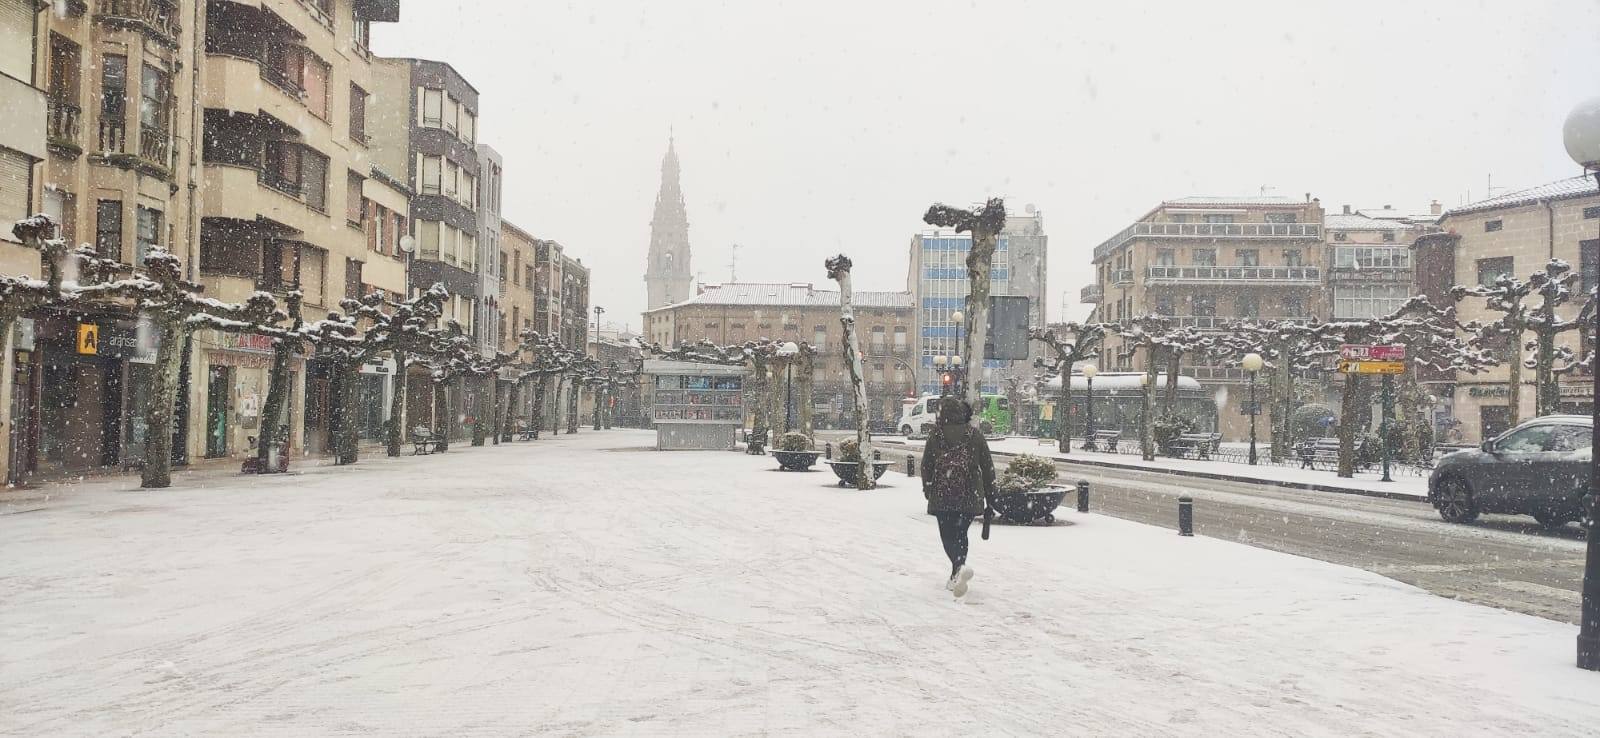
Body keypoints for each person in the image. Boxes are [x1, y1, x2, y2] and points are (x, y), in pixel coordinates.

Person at [920, 397, 996, 598]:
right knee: (961, 533)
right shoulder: (975, 435)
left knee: (947, 535)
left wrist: (928, 488)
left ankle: (958, 567)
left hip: (943, 495)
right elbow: (987, 467)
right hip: (970, 495)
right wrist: (991, 496)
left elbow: (927, 464)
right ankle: (958, 571)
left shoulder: (936, 435)